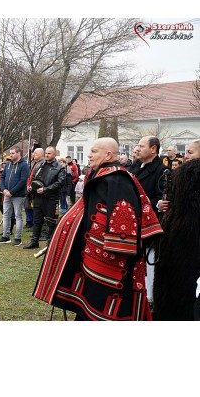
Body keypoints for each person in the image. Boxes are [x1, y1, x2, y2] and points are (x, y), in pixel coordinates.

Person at [33, 137, 163, 321]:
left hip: (111, 262)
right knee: (90, 301)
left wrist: (108, 249)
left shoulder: (118, 179)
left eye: (94, 151)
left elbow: (123, 223)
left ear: (108, 154)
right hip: (94, 253)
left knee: (106, 305)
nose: (89, 155)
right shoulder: (102, 175)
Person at [153, 141, 200, 320]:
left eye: (190, 152)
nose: (185, 155)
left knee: (180, 289)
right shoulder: (182, 174)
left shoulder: (190, 174)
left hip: (185, 241)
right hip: (178, 237)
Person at [128, 135, 168, 308]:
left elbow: (162, 200)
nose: (138, 148)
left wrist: (153, 204)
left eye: (141, 145)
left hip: (148, 225)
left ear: (153, 149)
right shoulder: (136, 166)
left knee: (149, 261)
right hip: (131, 221)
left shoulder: (162, 171)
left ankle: (149, 297)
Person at [23, 147, 66, 250]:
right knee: (37, 220)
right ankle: (34, 241)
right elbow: (34, 178)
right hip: (38, 197)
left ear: (55, 154)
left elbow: (60, 182)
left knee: (51, 222)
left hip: (51, 198)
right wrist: (31, 187)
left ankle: (50, 244)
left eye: (49, 153)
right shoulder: (40, 165)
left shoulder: (60, 167)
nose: (47, 155)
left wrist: (46, 189)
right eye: (46, 153)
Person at [0, 146, 30, 246]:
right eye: (10, 153)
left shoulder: (24, 166)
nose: (11, 155)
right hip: (6, 194)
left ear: (19, 153)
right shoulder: (8, 164)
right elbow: (3, 177)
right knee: (6, 215)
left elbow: (23, 181)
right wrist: (4, 189)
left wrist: (12, 192)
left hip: (18, 196)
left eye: (13, 153)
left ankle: (18, 238)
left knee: (18, 216)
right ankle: (6, 236)